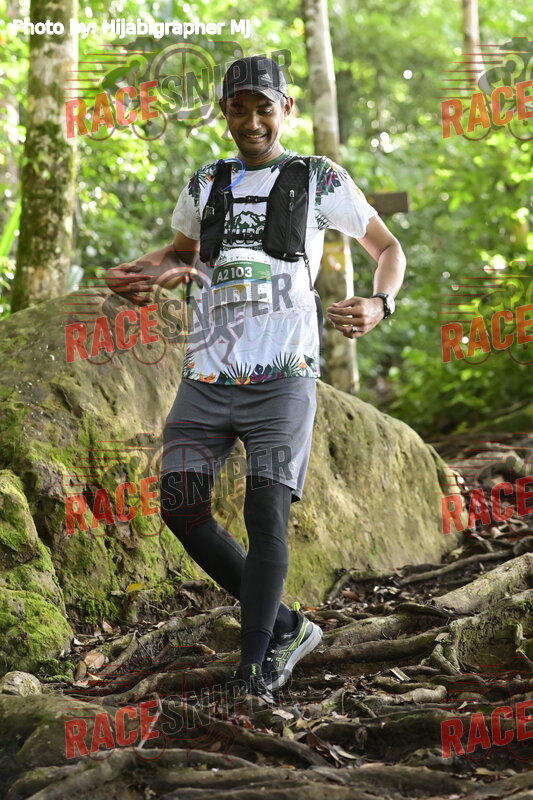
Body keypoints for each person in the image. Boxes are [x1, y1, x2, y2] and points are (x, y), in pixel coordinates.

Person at [106, 55, 406, 705]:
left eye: (263, 108)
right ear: (224, 113)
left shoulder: (318, 177)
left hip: (283, 375)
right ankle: (290, 628)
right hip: (206, 375)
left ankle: (254, 670)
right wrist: (139, 272)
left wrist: (380, 303)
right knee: (180, 506)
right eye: (238, 109)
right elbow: (182, 257)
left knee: (265, 510)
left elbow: (387, 248)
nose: (252, 121)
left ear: (285, 108)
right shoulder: (205, 182)